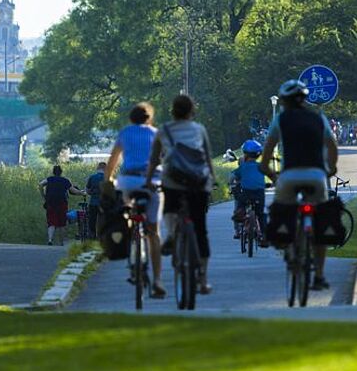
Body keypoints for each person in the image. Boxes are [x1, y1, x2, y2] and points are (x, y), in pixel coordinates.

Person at [260, 79, 339, 291]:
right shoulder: (318, 118)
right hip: (316, 176)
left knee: (281, 209)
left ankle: (287, 243)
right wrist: (331, 168)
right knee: (321, 221)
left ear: (284, 101)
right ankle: (319, 275)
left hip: (289, 175)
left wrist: (268, 171)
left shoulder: (280, 120)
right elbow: (332, 146)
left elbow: (267, 151)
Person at [146, 94, 215, 295]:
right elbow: (208, 157)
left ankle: (172, 232)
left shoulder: (163, 130)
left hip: (173, 180)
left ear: (173, 111)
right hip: (198, 182)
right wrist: (211, 179)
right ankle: (203, 280)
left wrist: (149, 181)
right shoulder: (199, 129)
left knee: (169, 208)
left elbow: (154, 160)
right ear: (192, 111)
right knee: (201, 229)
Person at [104, 102, 166, 298]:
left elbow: (112, 161)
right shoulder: (156, 133)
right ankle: (156, 281)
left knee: (127, 208)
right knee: (154, 233)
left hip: (128, 181)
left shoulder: (125, 133)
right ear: (149, 118)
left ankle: (130, 229)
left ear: (131, 118)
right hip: (152, 181)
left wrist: (108, 180)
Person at [231, 139, 268, 245]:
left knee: (241, 203)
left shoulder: (243, 167)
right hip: (259, 194)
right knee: (261, 214)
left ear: (245, 154)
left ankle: (240, 213)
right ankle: (264, 236)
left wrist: (232, 184)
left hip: (246, 193)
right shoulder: (261, 166)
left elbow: (233, 177)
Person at [40, 165, 87, 246]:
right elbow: (73, 191)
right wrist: (82, 193)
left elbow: (40, 184)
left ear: (53, 172)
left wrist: (43, 195)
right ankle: (61, 242)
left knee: (51, 222)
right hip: (62, 203)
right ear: (61, 172)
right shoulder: (65, 181)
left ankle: (50, 240)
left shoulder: (49, 179)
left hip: (50, 203)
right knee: (62, 223)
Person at [83, 162, 106, 240]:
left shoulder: (92, 177)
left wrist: (91, 193)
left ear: (98, 168)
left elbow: (87, 190)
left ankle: (92, 237)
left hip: (93, 202)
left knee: (92, 221)